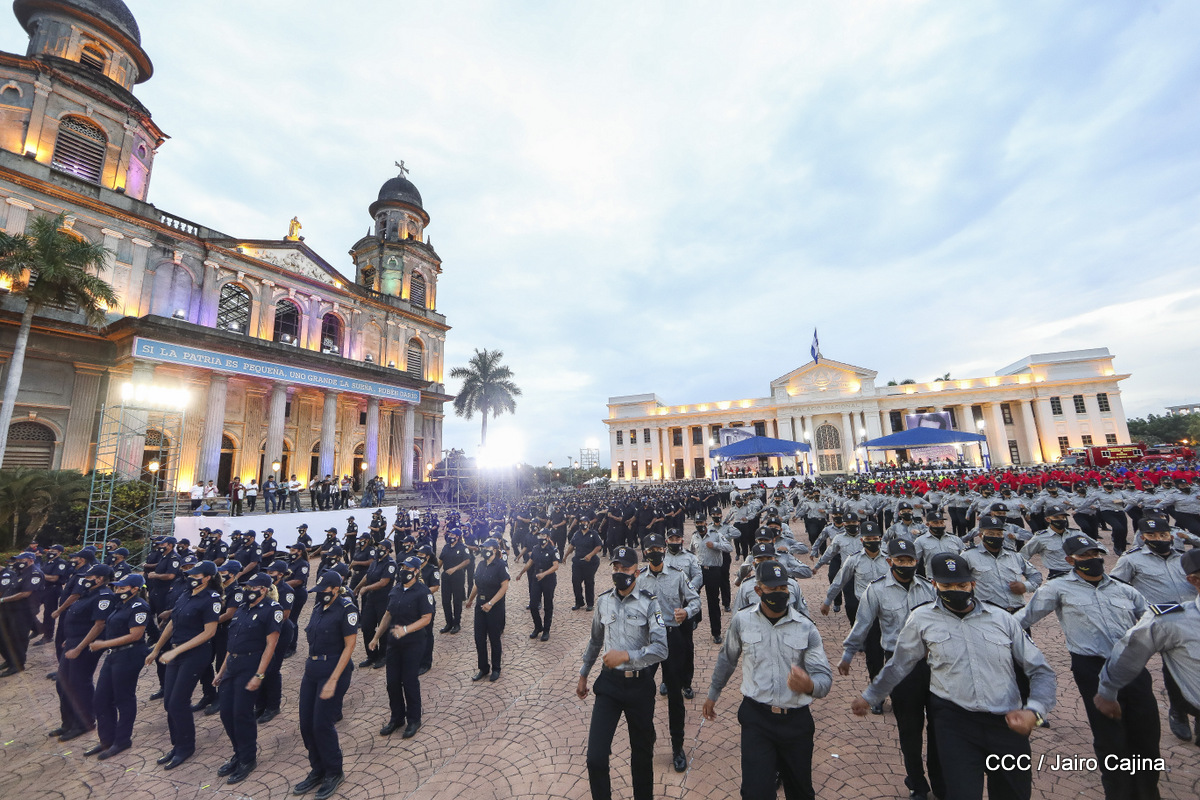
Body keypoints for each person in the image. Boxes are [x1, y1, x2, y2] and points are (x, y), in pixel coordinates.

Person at [852, 553, 1057, 800]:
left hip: (1006, 723)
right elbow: (899, 664)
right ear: (934, 584)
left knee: (1013, 793)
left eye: (962, 585)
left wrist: (1034, 711)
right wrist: (871, 695)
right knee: (961, 792)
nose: (956, 591)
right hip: (955, 723)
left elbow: (1040, 670)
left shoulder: (1002, 619)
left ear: (973, 584)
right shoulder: (921, 619)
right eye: (947, 586)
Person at [1014, 533, 1159, 799]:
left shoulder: (1124, 589)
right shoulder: (1057, 588)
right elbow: (1021, 620)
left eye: (1095, 554)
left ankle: (1148, 792)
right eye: (1084, 556)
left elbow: (1153, 622)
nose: (1092, 559)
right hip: (1092, 669)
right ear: (1070, 560)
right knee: (1110, 738)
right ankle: (1118, 793)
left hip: (1133, 668)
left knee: (1146, 734)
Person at [703, 560, 833, 800]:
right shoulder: (742, 621)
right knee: (755, 792)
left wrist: (810, 685)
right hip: (757, 718)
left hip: (796, 721)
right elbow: (727, 658)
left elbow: (824, 677)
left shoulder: (806, 628)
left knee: (801, 792)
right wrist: (713, 693)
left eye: (783, 588)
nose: (779, 593)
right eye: (772, 588)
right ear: (758, 590)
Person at [840, 538, 942, 800]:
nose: (905, 564)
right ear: (890, 561)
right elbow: (862, 624)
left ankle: (940, 780)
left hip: (933, 665)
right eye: (900, 560)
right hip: (900, 668)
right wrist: (848, 654)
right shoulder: (876, 590)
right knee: (910, 727)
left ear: (916, 561)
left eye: (910, 560)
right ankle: (916, 781)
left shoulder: (929, 588)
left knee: (939, 726)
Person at [577, 545, 668, 800]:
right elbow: (595, 640)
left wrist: (627, 655)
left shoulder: (650, 603)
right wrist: (584, 674)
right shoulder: (604, 601)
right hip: (609, 685)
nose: (619, 572)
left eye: (625, 568)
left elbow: (661, 649)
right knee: (595, 757)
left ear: (636, 572)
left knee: (642, 756)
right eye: (616, 567)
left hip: (639, 686)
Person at [1096, 547, 1200, 747]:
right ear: (1194, 580)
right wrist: (1107, 691)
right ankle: (1179, 711)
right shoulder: (1171, 620)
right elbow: (1129, 653)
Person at [145, 560, 221, 770]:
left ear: (207, 577)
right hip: (175, 652)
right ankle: (177, 744)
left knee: (179, 702)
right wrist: (157, 649)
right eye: (189, 574)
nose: (190, 577)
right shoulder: (186, 594)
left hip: (194, 654)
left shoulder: (211, 598)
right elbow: (172, 623)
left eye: (196, 575)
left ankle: (186, 747)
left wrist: (176, 651)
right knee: (169, 702)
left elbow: (209, 632)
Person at [637, 533, 700, 772]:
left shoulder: (678, 575)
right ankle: (647, 736)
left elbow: (695, 601)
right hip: (649, 642)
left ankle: (677, 746)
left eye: (658, 548)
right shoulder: (639, 579)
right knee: (643, 693)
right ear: (644, 552)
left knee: (675, 695)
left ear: (664, 549)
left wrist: (687, 611)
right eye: (650, 549)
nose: (655, 552)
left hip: (673, 638)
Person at [294, 571, 358, 800]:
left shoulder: (346, 609)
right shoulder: (318, 607)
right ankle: (318, 768)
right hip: (312, 670)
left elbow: (349, 646)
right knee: (306, 724)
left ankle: (334, 771)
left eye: (323, 590)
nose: (319, 594)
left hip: (334, 669)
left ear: (335, 589)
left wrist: (333, 679)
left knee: (321, 724)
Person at [214, 572, 280, 784]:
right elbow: (232, 643)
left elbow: (270, 645)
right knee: (226, 713)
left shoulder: (272, 610)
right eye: (247, 587)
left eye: (252, 587)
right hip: (232, 665)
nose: (247, 590)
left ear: (263, 589)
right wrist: (221, 671)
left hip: (250, 666)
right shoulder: (242, 608)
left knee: (241, 713)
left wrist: (259, 675)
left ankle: (247, 758)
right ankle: (238, 752)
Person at [86, 573, 150, 759]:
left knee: (124, 698)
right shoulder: (120, 604)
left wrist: (103, 644)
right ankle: (106, 739)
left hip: (129, 655)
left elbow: (135, 635)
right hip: (114, 655)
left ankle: (122, 740)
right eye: (117, 587)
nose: (118, 590)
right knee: (101, 698)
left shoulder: (139, 606)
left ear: (135, 589)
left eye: (122, 588)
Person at [372, 555, 433, 738]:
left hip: (413, 643)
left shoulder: (422, 592)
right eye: (403, 567)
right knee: (392, 682)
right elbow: (387, 615)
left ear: (416, 571)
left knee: (409, 681)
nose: (404, 571)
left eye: (408, 568)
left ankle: (414, 719)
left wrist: (406, 629)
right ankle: (396, 718)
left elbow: (426, 618)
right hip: (394, 643)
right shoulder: (396, 589)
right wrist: (376, 637)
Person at [53, 562, 113, 740]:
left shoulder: (104, 596)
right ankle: (68, 722)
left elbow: (99, 625)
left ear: (99, 579)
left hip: (85, 646)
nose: (85, 579)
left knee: (78, 684)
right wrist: (70, 639)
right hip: (73, 641)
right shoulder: (88, 593)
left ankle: (84, 722)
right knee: (62, 683)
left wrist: (79, 647)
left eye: (89, 577)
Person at [466, 538, 509, 681]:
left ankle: (496, 668)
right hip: (480, 606)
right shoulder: (481, 564)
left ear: (495, 550)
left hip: (494, 607)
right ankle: (483, 668)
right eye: (483, 548)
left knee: (494, 639)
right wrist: (471, 599)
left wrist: (491, 603)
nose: (485, 550)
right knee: (479, 638)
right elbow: (477, 584)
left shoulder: (501, 565)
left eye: (487, 548)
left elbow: (504, 587)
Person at [0, 549, 43, 675]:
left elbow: (25, 593)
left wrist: (3, 599)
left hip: (23, 611)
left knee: (18, 638)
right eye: (17, 560)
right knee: (4, 636)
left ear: (30, 560)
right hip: (10, 610)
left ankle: (18, 665)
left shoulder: (35, 573)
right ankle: (10, 660)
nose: (17, 562)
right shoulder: (20, 572)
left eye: (21, 560)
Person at [355, 540, 396, 669]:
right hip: (371, 599)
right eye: (378, 547)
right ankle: (371, 655)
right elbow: (367, 577)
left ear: (388, 550)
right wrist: (357, 588)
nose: (379, 549)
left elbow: (384, 582)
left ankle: (383, 656)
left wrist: (367, 588)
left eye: (382, 547)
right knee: (366, 626)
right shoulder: (375, 562)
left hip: (384, 599)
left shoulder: (390, 564)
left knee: (383, 628)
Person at [693, 515, 732, 643]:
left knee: (713, 602)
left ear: (706, 522)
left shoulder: (715, 534)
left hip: (713, 570)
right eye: (697, 523)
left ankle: (716, 632)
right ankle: (695, 618)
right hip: (699, 571)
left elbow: (729, 547)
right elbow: (691, 552)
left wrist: (715, 545)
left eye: (701, 522)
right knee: (692, 594)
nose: (700, 525)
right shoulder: (694, 536)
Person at [518, 528, 561, 641]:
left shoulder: (552, 550)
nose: (540, 538)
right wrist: (521, 573)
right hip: (536, 578)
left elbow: (556, 566)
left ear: (548, 537)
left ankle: (546, 630)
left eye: (543, 535)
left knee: (548, 606)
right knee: (533, 605)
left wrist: (544, 574)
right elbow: (530, 562)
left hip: (549, 580)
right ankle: (538, 627)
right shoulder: (535, 548)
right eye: (539, 535)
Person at [438, 529, 470, 634]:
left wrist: (455, 568)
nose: (450, 536)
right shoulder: (446, 547)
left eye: (452, 534)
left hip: (457, 576)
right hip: (446, 576)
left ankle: (456, 623)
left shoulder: (462, 547)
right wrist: (435, 571)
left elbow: (467, 560)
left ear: (457, 537)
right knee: (445, 600)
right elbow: (441, 560)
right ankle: (449, 623)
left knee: (457, 600)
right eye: (450, 534)